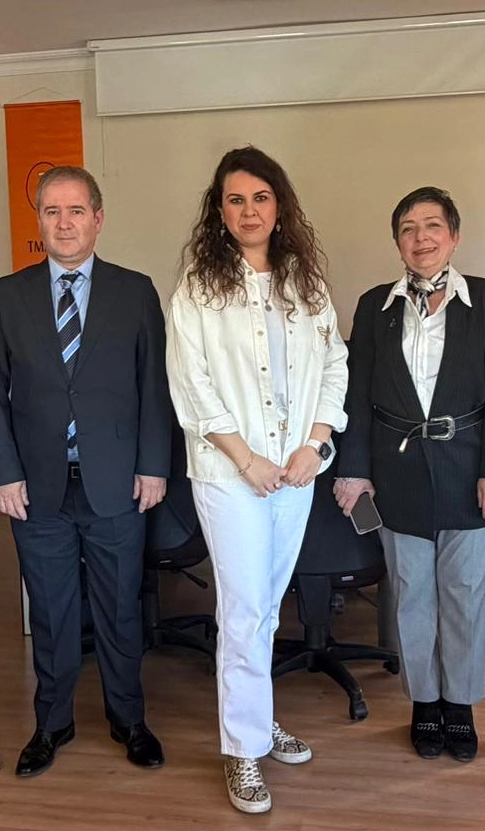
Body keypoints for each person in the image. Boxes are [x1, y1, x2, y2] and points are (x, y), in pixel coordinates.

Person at [166, 146, 348, 814]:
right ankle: (242, 749)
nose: (249, 211)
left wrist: (315, 444)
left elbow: (335, 365)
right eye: (236, 200)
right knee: (244, 610)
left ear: (279, 206)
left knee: (269, 608)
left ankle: (257, 718)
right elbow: (192, 386)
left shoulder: (306, 283)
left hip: (295, 472)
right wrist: (248, 460)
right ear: (219, 211)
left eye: (261, 198)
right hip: (230, 474)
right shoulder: (198, 289)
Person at [0, 166, 171, 778]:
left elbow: (154, 386)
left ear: (98, 219)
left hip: (117, 481)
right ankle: (52, 723)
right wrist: (2, 473)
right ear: (39, 220)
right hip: (36, 489)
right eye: (52, 211)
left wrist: (154, 465)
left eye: (76, 210)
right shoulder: (8, 295)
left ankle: (129, 719)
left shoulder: (135, 291)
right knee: (51, 612)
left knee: (119, 609)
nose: (64, 223)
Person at [334, 186, 485, 764]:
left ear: (454, 237)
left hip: (469, 467)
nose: (421, 238)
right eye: (408, 229)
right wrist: (354, 471)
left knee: (464, 593)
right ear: (397, 242)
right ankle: (425, 702)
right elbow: (358, 395)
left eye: (433, 225)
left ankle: (460, 704)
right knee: (411, 593)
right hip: (397, 471)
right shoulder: (374, 305)